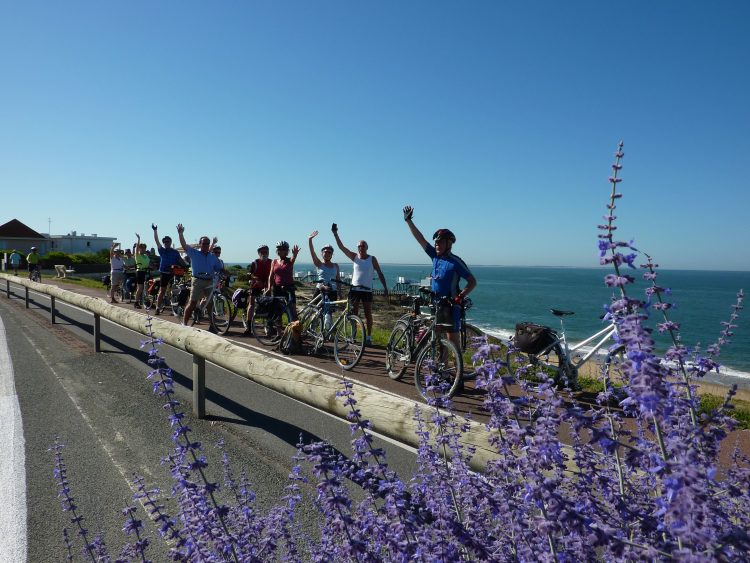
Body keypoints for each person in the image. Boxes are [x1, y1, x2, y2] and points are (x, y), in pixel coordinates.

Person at [402, 205, 477, 351]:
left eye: (440, 242)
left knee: (452, 340)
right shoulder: (435, 256)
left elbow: (472, 281)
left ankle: (456, 371)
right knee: (437, 337)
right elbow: (420, 239)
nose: (437, 244)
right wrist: (408, 221)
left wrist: (460, 297)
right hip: (436, 303)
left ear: (449, 244)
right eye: (436, 242)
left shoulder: (455, 262)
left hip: (450, 304)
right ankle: (442, 368)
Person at [331, 223, 388, 344]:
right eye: (359, 246)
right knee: (354, 314)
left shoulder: (372, 259)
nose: (360, 248)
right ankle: (353, 335)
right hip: (355, 290)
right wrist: (335, 234)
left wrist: (385, 288)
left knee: (368, 314)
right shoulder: (354, 257)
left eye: (363, 246)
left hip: (367, 290)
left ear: (367, 247)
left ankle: (368, 337)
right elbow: (341, 247)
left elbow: (380, 273)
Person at [176, 224, 223, 328]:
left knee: (210, 304)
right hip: (197, 280)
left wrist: (226, 273)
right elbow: (184, 245)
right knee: (192, 303)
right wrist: (180, 233)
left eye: (208, 243)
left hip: (209, 281)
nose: (206, 245)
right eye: (204, 243)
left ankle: (212, 325)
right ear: (200, 244)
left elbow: (219, 268)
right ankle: (184, 324)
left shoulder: (212, 256)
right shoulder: (194, 253)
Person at [309, 231, 341, 331]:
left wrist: (340, 293)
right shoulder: (319, 264)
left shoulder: (336, 265)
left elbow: (338, 280)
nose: (327, 253)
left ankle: (328, 333)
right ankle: (312, 328)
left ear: (332, 254)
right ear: (322, 253)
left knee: (329, 313)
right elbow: (312, 253)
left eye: (329, 252)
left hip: (332, 291)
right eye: (325, 252)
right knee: (316, 312)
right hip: (320, 290)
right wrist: (310, 240)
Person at [152, 224, 183, 314]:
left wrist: (187, 265)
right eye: (165, 242)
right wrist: (155, 231)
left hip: (173, 272)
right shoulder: (162, 251)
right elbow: (157, 241)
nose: (166, 243)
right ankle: (158, 308)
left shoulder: (175, 252)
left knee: (177, 289)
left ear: (170, 242)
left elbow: (180, 261)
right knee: (162, 291)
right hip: (164, 273)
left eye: (168, 241)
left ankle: (175, 306)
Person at [243, 244, 272, 335]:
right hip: (255, 285)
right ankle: (249, 327)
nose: (264, 254)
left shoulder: (272, 262)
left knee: (270, 305)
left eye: (266, 252)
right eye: (262, 252)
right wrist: (256, 279)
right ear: (259, 253)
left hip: (267, 286)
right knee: (251, 304)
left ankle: (269, 325)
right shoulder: (255, 262)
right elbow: (249, 273)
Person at [268, 240, 300, 319]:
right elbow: (271, 276)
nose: (281, 251)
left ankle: (294, 330)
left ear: (287, 251)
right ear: (277, 251)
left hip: (289, 288)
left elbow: (293, 259)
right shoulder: (274, 262)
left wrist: (295, 255)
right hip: (277, 288)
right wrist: (269, 288)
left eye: (284, 249)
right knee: (278, 312)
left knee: (293, 312)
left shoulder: (289, 261)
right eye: (279, 249)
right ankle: (279, 331)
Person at [133, 234, 151, 309]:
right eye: (141, 248)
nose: (143, 249)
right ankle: (136, 302)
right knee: (140, 288)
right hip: (140, 272)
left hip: (146, 272)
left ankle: (147, 301)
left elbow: (148, 264)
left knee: (148, 287)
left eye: (144, 248)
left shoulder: (146, 256)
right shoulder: (137, 255)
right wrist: (138, 239)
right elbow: (136, 248)